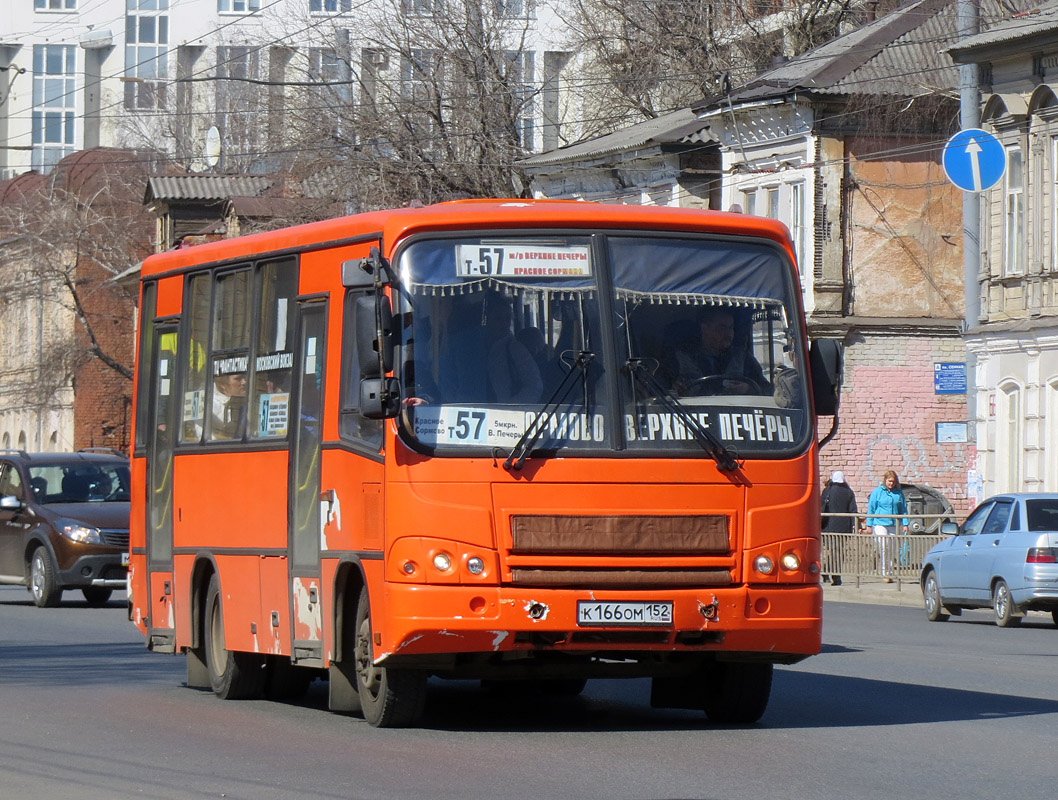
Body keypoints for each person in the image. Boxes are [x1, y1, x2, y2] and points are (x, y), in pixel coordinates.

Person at [662, 306, 768, 396]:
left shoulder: (743, 358)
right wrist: (676, 390)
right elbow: (661, 393)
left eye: (730, 328)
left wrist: (748, 389)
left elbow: (768, 391)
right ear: (704, 329)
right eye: (721, 328)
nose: (728, 334)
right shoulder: (679, 358)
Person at [866, 470, 909, 583]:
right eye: (889, 481)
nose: (891, 484)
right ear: (885, 480)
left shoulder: (898, 493)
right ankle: (885, 572)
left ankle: (890, 571)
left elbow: (903, 509)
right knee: (884, 546)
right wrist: (869, 525)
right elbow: (871, 508)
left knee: (892, 548)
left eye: (893, 482)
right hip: (880, 522)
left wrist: (905, 523)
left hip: (894, 523)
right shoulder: (877, 492)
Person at [820, 470, 857, 586]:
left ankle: (826, 570)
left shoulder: (827, 491)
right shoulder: (849, 492)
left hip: (827, 525)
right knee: (839, 552)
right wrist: (854, 524)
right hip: (843, 527)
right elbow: (853, 510)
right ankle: (836, 575)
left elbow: (820, 507)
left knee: (832, 550)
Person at [212, 373, 248, 440]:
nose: (244, 382)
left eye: (244, 378)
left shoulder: (247, 402)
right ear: (222, 384)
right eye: (238, 379)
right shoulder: (211, 408)